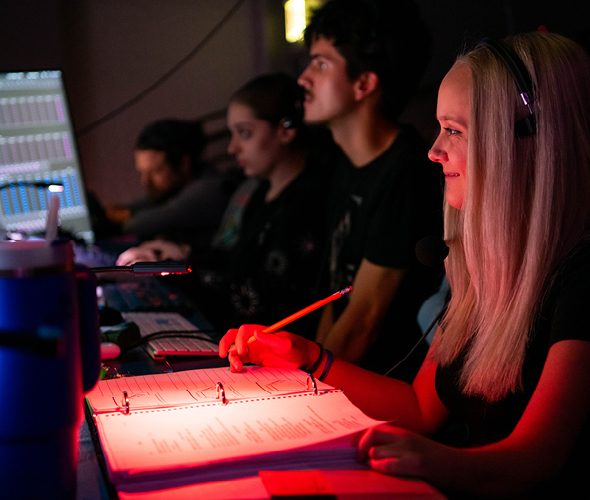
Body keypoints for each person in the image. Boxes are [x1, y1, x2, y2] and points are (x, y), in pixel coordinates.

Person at [220, 32, 590, 497]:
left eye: (454, 131)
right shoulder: (489, 264)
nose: (434, 150)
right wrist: (307, 358)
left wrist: (434, 461)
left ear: (531, 138)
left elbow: (539, 458)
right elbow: (419, 408)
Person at [296, 0, 443, 381]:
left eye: (321, 64)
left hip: (381, 392)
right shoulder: (347, 161)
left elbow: (363, 321)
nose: (304, 78)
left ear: (365, 83)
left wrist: (304, 386)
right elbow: (335, 291)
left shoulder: (406, 172)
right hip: (338, 380)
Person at [117, 73, 332, 333]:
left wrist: (173, 271)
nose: (232, 148)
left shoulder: (307, 202)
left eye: (245, 133)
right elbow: (235, 262)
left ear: (285, 129)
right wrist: (180, 254)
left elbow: (259, 298)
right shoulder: (261, 192)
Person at [106, 119, 233, 247]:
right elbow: (146, 202)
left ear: (183, 164)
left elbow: (149, 221)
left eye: (155, 171)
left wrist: (115, 219)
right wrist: (118, 211)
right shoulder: (174, 188)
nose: (145, 181)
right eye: (142, 172)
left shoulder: (210, 189)